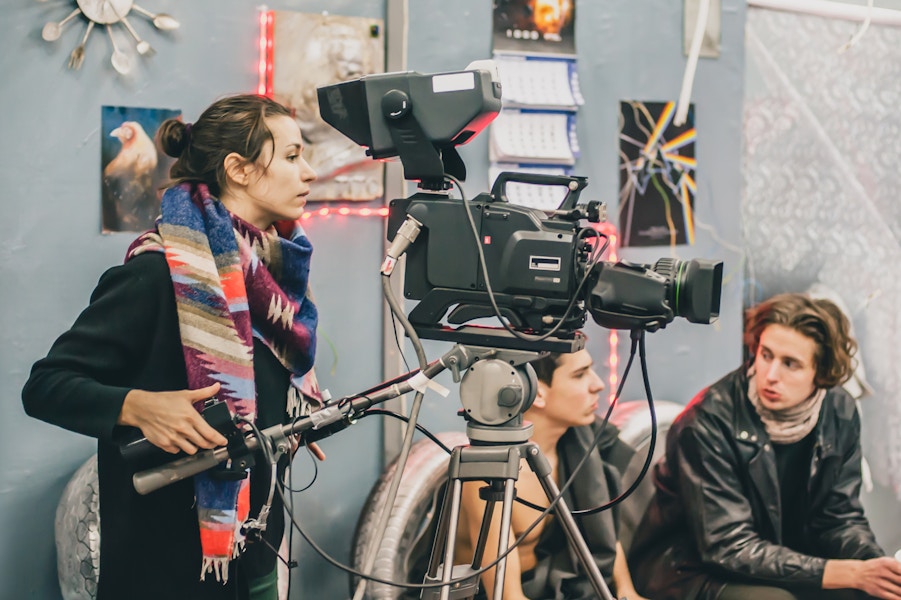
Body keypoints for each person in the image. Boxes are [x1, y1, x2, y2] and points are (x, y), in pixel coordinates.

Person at [22, 94, 320, 600]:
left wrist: (287, 420)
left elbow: (252, 388)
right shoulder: (154, 274)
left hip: (256, 555)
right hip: (167, 568)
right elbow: (46, 386)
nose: (309, 172)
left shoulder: (268, 278)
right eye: (291, 157)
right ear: (239, 170)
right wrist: (138, 406)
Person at [627, 292, 901, 600]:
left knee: (875, 594)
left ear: (820, 373)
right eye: (766, 354)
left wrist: (875, 566)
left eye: (790, 364)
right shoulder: (707, 421)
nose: (770, 376)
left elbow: (839, 516)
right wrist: (844, 573)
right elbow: (727, 546)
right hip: (688, 569)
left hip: (783, 556)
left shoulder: (838, 410)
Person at [455, 346, 648, 600]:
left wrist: (626, 591)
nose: (598, 385)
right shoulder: (489, 474)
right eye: (580, 375)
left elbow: (602, 530)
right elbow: (507, 596)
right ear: (537, 393)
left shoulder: (580, 444)